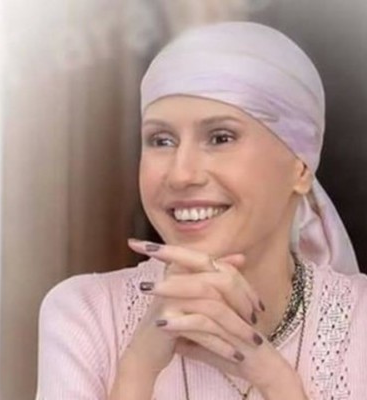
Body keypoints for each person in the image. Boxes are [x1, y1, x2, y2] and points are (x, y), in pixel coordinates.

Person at [36, 22, 367, 400]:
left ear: (301, 167)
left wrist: (275, 380)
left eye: (220, 137)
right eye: (161, 140)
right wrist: (139, 367)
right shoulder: (85, 314)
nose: (181, 174)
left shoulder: (359, 323)